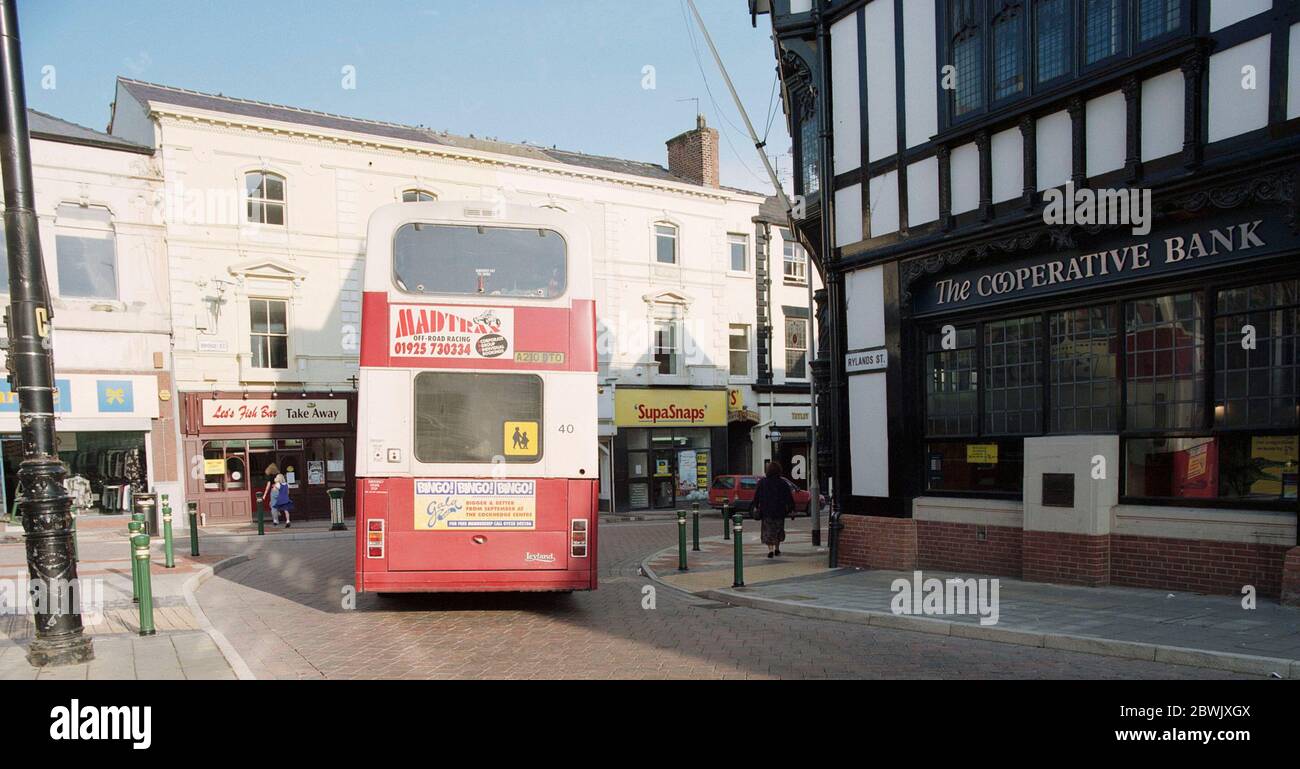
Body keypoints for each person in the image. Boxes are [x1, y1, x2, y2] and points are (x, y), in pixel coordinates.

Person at [752, 460, 794, 558]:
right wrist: (791, 508)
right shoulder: (783, 483)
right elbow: (788, 497)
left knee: (768, 530)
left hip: (766, 511)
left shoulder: (762, 482)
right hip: (780, 511)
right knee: (778, 530)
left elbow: (757, 496)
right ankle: (777, 548)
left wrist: (756, 505)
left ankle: (770, 549)